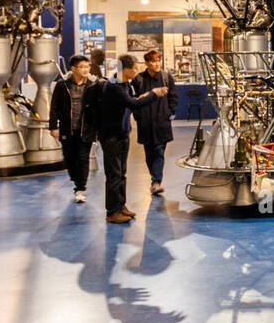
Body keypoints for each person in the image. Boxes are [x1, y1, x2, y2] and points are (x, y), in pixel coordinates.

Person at [100, 54, 168, 224]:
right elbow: (133, 104)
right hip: (111, 136)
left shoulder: (124, 84)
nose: (137, 72)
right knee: (114, 175)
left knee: (121, 173)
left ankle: (120, 206)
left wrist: (145, 96)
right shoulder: (114, 85)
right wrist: (153, 93)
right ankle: (112, 212)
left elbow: (132, 100)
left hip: (122, 134)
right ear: (126, 69)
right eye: (135, 68)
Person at [49, 54, 102, 203]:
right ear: (73, 68)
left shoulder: (93, 84)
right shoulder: (62, 85)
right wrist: (53, 126)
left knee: (83, 158)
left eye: (87, 66)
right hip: (67, 128)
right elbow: (54, 107)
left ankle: (80, 188)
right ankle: (75, 178)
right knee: (69, 158)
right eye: (82, 67)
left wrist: (97, 128)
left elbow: (98, 107)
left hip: (86, 128)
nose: (85, 70)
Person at [131, 47, 178, 196]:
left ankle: (156, 182)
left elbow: (173, 97)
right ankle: (154, 178)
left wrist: (169, 112)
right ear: (146, 63)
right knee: (149, 153)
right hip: (145, 123)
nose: (157, 64)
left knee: (159, 151)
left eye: (158, 61)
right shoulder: (138, 79)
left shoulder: (166, 77)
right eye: (153, 61)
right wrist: (138, 115)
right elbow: (133, 100)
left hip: (161, 122)